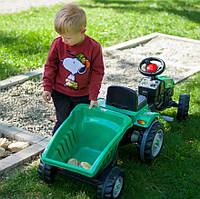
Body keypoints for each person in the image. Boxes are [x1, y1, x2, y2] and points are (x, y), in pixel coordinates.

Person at [42, 3, 104, 135]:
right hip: (60, 93)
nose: (64, 40)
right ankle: (55, 152)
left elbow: (97, 73)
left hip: (83, 95)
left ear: (82, 31)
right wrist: (47, 87)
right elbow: (50, 66)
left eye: (68, 37)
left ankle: (76, 149)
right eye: (61, 36)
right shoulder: (58, 43)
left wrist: (93, 96)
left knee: (81, 123)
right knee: (63, 121)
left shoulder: (94, 47)